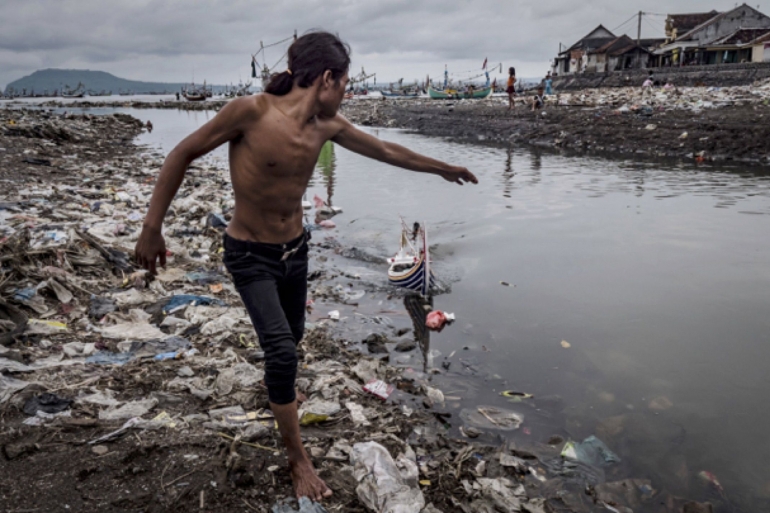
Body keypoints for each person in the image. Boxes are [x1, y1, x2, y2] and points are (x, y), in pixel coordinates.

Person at [134, 31, 477, 502]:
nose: (347, 94)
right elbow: (181, 153)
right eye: (346, 84)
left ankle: (278, 396)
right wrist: (153, 227)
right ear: (328, 78)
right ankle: (298, 460)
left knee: (290, 342)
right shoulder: (249, 113)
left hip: (296, 250)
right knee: (281, 351)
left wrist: (443, 167)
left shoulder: (326, 126)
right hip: (249, 253)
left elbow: (388, 151)